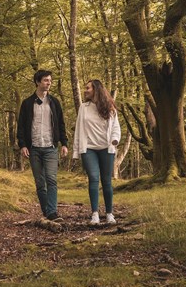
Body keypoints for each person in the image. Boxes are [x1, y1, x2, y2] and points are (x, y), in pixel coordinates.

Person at [18, 70, 69, 222]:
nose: (49, 83)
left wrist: (64, 143)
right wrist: (23, 145)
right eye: (46, 80)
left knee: (51, 179)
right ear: (38, 82)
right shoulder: (27, 103)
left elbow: (61, 124)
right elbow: (21, 126)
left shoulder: (54, 102)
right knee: (40, 183)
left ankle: (52, 212)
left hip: (50, 147)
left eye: (50, 80)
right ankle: (46, 212)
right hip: (33, 148)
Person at [73, 79, 121, 225]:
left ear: (96, 90)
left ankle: (109, 213)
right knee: (93, 178)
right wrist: (76, 151)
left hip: (107, 148)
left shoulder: (110, 106)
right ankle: (95, 214)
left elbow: (116, 128)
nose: (85, 90)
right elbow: (78, 129)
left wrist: (114, 140)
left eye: (88, 88)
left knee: (106, 180)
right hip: (88, 148)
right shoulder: (84, 107)